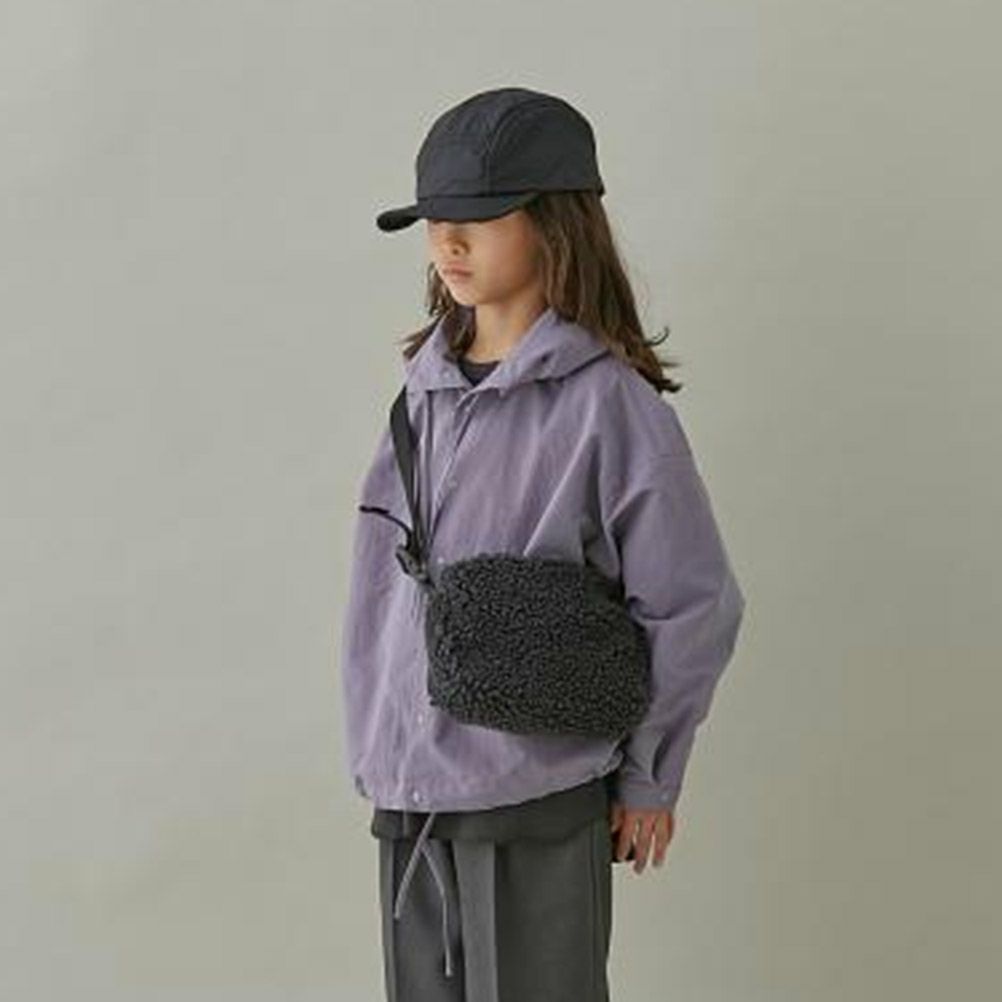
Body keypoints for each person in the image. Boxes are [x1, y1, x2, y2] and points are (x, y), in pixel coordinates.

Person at [339, 86, 747, 1002]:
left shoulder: (611, 407)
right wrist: (380, 753)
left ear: (555, 225)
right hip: (412, 801)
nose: (448, 242)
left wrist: (649, 777)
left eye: (480, 218)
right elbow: (379, 597)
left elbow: (694, 601)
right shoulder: (419, 400)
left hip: (534, 798)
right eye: (435, 220)